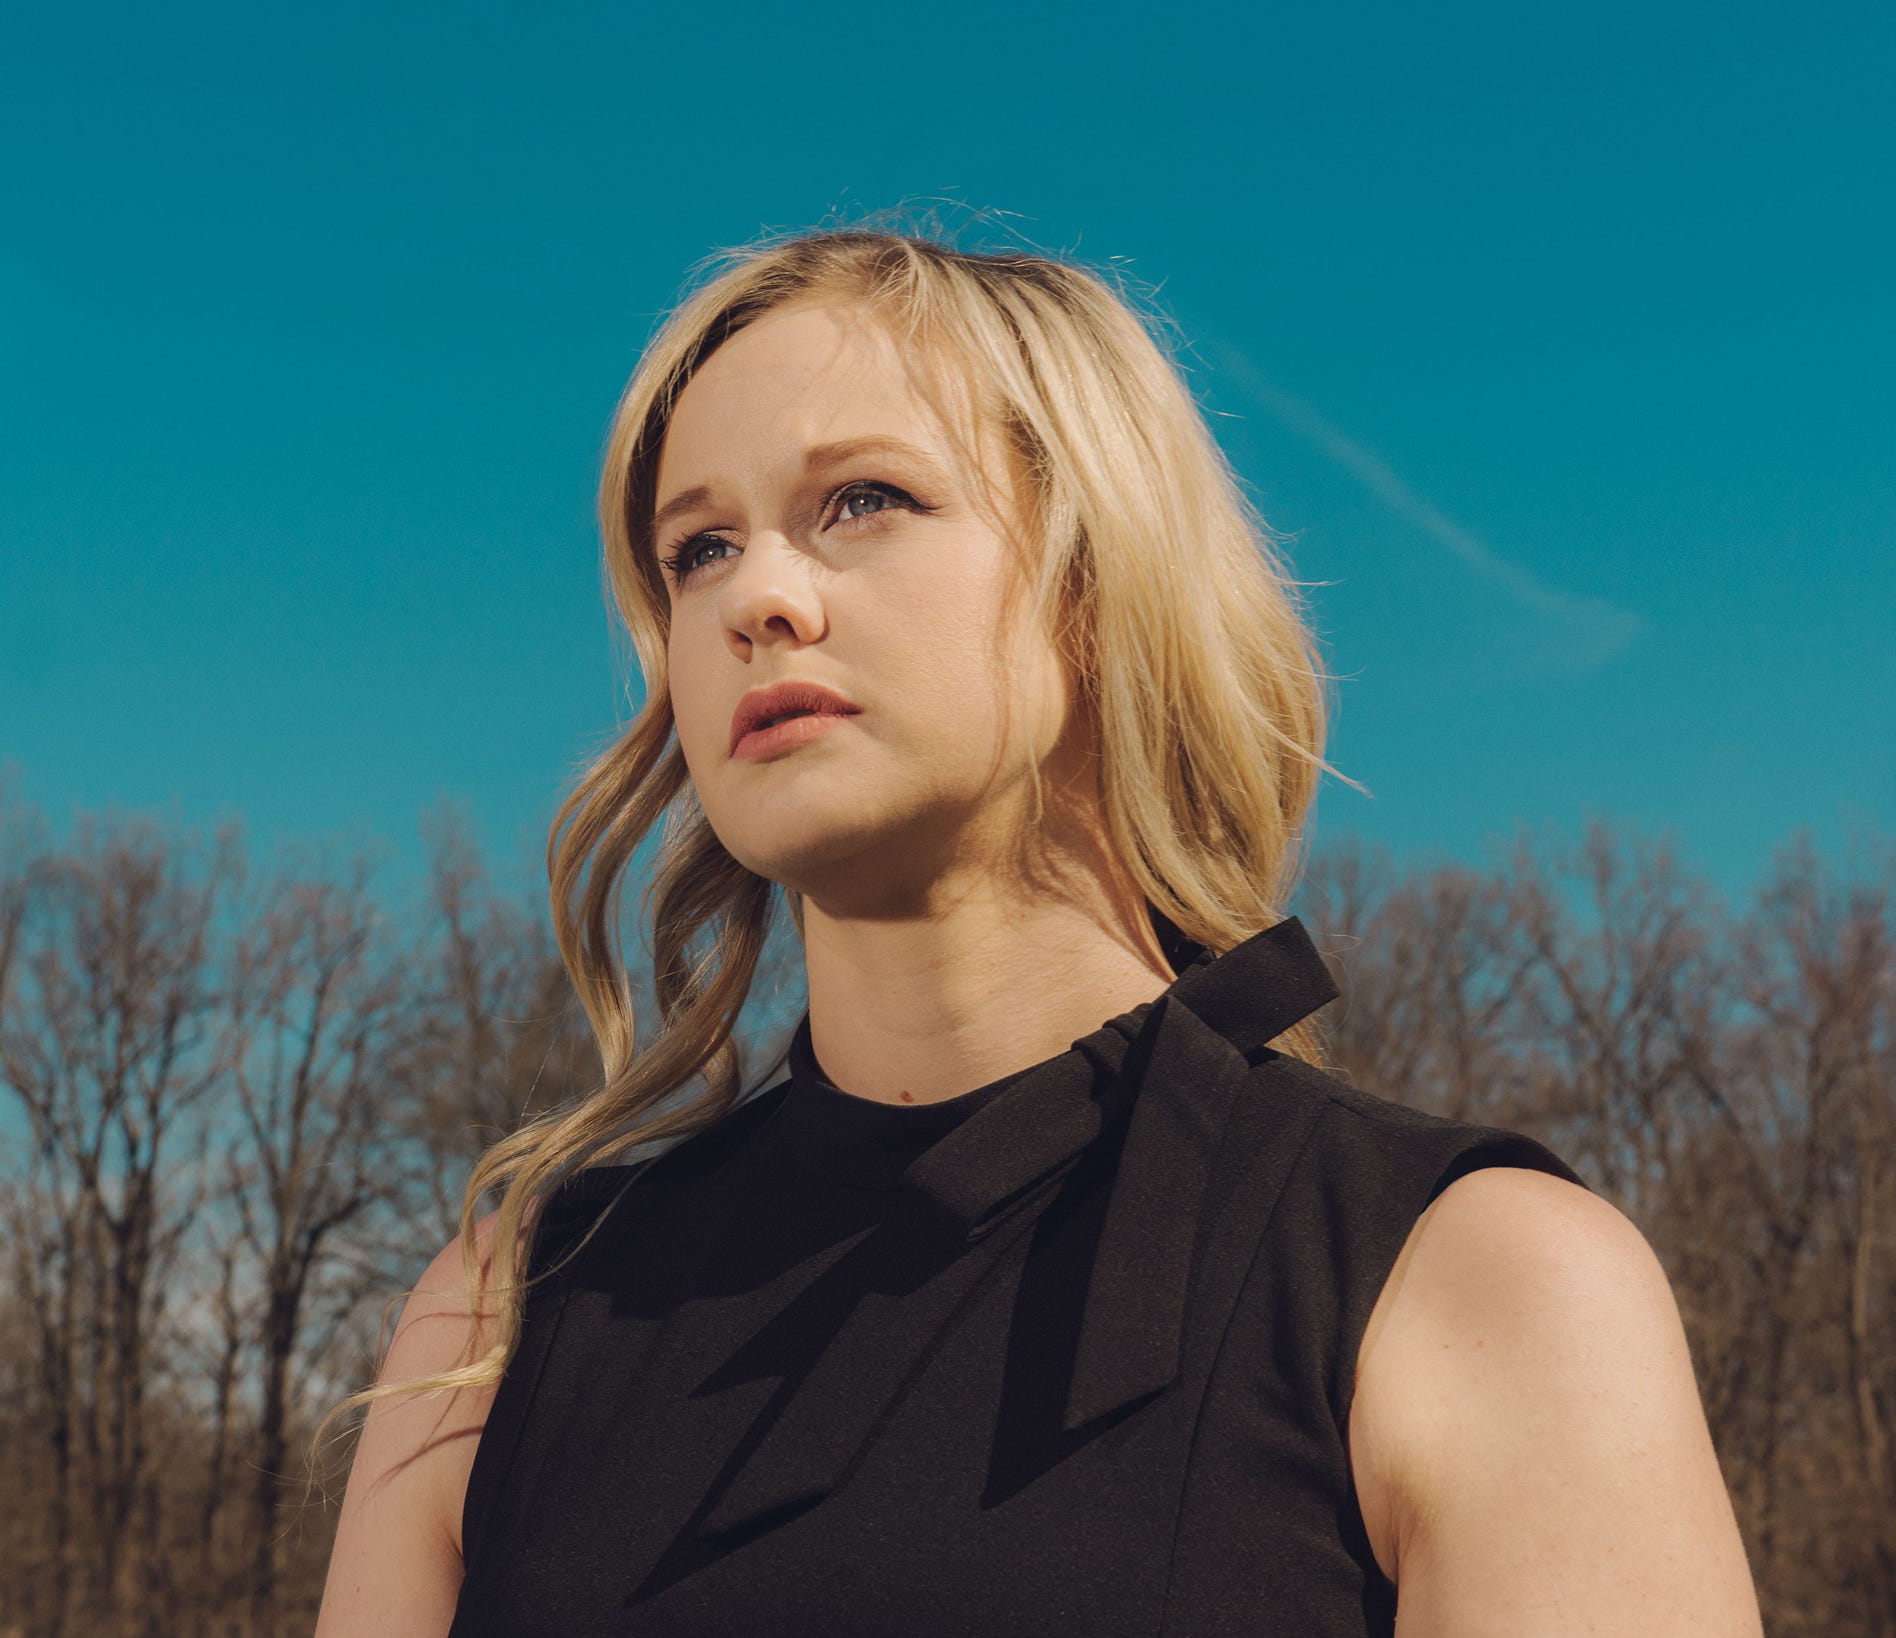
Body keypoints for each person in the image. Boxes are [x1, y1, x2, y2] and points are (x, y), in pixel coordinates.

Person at [313, 226, 1762, 1636]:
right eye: (698, 548)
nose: (756, 594)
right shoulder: (498, 1319)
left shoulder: (1482, 1286)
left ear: (1096, 580)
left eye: (863, 499)